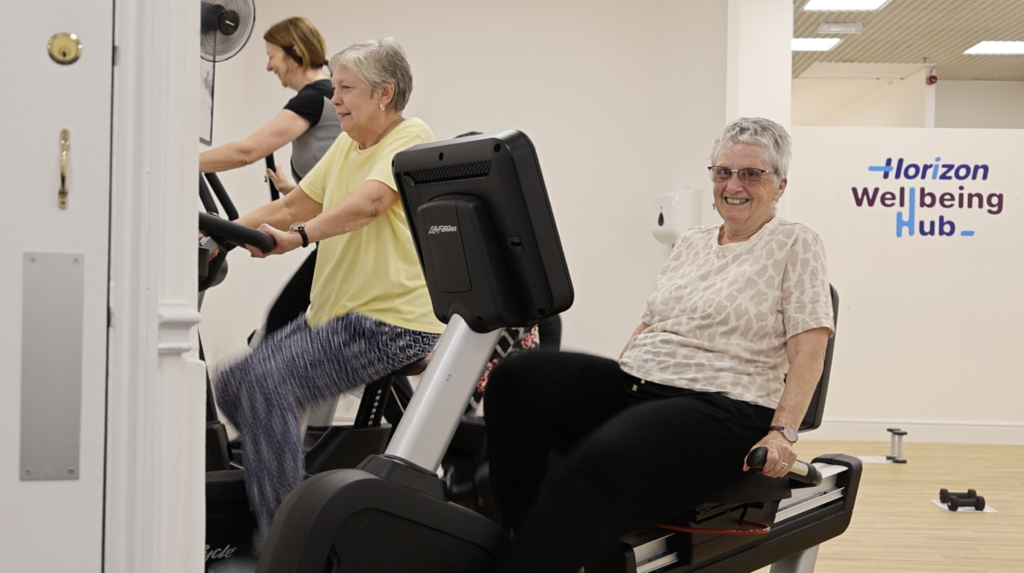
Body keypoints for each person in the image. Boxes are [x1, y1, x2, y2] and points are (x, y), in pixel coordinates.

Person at [481, 118, 834, 573]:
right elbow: (651, 323)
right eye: (723, 172)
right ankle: (522, 536)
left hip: (722, 405)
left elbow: (809, 347)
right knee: (518, 378)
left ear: (780, 185)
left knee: (600, 462)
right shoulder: (691, 242)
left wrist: (783, 432)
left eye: (751, 173)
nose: (734, 185)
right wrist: (616, 384)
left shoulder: (795, 243)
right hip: (642, 385)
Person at [212, 38, 443, 546]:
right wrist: (220, 236)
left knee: (269, 386)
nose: (334, 100)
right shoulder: (347, 141)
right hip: (335, 315)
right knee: (232, 384)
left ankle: (287, 539)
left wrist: (297, 239)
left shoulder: (410, 138)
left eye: (345, 89)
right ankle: (288, 495)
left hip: (391, 322)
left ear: (384, 94)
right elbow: (295, 204)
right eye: (335, 88)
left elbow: (370, 203)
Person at [200, 16, 341, 337]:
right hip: (338, 241)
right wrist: (294, 189)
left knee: (280, 322)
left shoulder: (313, 98)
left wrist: (185, 165)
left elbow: (246, 152)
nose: (268, 66)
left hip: (346, 244)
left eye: (271, 56)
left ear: (295, 52)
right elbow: (335, 185)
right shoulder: (327, 97)